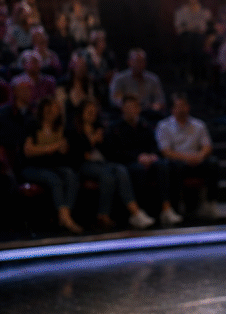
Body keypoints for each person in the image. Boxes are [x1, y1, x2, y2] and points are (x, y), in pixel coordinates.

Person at [67, 97, 155, 230]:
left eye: (94, 111)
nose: (92, 114)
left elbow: (109, 152)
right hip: (83, 165)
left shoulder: (100, 127)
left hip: (102, 162)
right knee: (107, 174)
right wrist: (92, 141)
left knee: (120, 169)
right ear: (81, 112)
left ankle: (133, 212)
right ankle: (106, 215)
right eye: (89, 111)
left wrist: (102, 141)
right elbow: (78, 155)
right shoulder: (74, 129)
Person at [105, 94, 182, 227]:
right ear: (122, 109)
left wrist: (152, 156)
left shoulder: (145, 125)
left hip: (147, 160)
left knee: (163, 165)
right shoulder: (115, 128)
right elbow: (114, 153)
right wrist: (137, 157)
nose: (130, 110)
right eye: (127, 107)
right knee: (138, 169)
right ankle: (138, 212)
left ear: (138, 109)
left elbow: (154, 146)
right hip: (127, 163)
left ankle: (166, 209)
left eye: (133, 107)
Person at [22, 96, 81, 233]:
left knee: (71, 175)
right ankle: (66, 219)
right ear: (45, 109)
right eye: (53, 108)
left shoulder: (60, 128)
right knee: (54, 179)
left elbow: (64, 150)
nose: (56, 111)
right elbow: (28, 151)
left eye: (57, 109)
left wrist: (62, 149)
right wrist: (51, 148)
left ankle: (65, 214)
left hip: (53, 166)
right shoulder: (33, 125)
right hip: (32, 167)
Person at [156, 94, 219, 218]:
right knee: (172, 166)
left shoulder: (199, 124)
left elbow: (207, 146)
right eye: (178, 106)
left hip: (197, 160)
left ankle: (210, 202)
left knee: (213, 162)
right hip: (177, 161)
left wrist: (200, 156)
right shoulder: (164, 126)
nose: (181, 109)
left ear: (188, 107)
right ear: (172, 109)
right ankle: (177, 205)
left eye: (183, 106)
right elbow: (165, 151)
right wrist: (187, 158)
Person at [109, 49, 165, 119]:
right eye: (137, 61)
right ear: (129, 62)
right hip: (124, 114)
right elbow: (114, 99)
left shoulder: (153, 79)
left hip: (147, 114)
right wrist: (129, 107)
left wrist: (155, 106)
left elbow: (160, 100)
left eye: (142, 61)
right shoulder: (119, 79)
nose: (140, 64)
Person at [174, 0, 212, 83]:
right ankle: (189, 74)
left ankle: (198, 74)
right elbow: (179, 29)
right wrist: (193, 29)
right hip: (186, 39)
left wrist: (190, 28)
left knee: (198, 39)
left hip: (201, 40)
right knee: (190, 38)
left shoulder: (205, 11)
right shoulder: (181, 11)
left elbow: (208, 29)